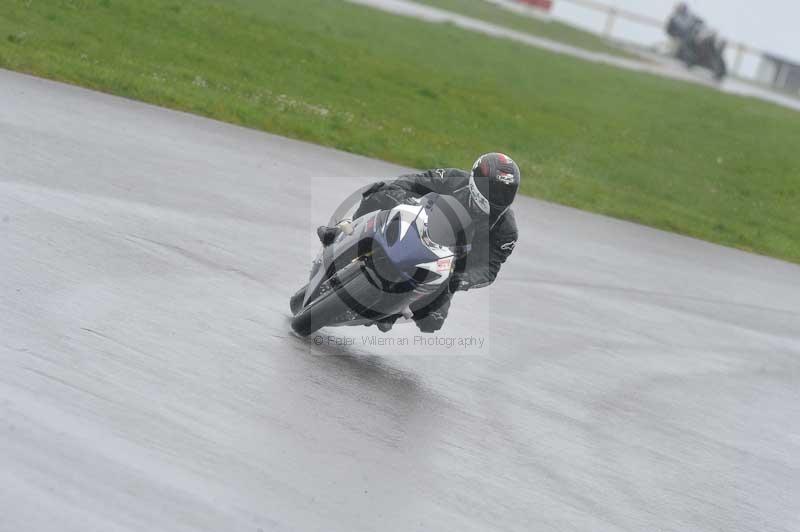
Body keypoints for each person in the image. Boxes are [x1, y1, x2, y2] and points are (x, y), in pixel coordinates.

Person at [317, 153, 520, 333]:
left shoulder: (506, 231)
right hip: (416, 228)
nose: (499, 197)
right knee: (378, 192)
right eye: (493, 190)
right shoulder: (454, 179)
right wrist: (400, 197)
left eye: (505, 192)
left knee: (432, 322)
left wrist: (459, 279)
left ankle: (390, 312)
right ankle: (342, 233)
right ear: (477, 181)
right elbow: (413, 182)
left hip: (445, 265)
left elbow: (489, 269)